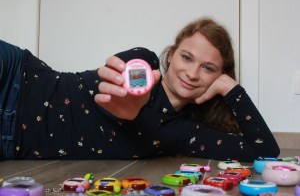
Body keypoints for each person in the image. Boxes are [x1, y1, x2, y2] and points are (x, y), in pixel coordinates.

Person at [0, 17, 280, 162]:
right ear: (171, 55)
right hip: (17, 77)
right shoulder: (144, 62)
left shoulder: (184, 135)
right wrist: (133, 101)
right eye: (187, 57)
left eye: (208, 69)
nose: (193, 74)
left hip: (11, 142)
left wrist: (231, 88)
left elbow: (264, 150)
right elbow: (130, 87)